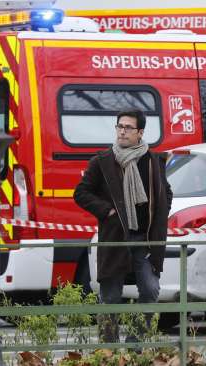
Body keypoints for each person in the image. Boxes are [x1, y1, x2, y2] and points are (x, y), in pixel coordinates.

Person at [74, 109, 172, 343]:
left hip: (146, 239)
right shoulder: (102, 161)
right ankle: (108, 349)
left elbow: (166, 191)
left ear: (140, 133)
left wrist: (161, 214)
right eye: (119, 126)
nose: (122, 131)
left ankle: (135, 345)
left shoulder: (153, 160)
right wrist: (106, 211)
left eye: (128, 128)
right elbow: (81, 193)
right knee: (110, 296)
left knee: (150, 290)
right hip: (116, 238)